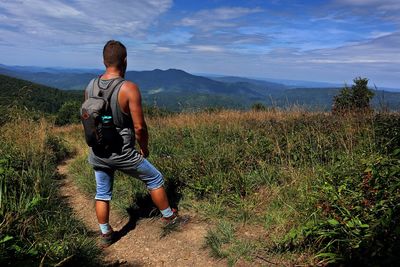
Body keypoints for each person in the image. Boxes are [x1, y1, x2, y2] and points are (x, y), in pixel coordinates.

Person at [84, 40, 178, 247]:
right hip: (123, 152)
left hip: (98, 152)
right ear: (125, 61)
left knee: (102, 193)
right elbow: (139, 128)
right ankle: (169, 217)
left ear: (103, 60)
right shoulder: (129, 88)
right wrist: (144, 147)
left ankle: (106, 233)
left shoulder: (90, 85)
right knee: (155, 178)